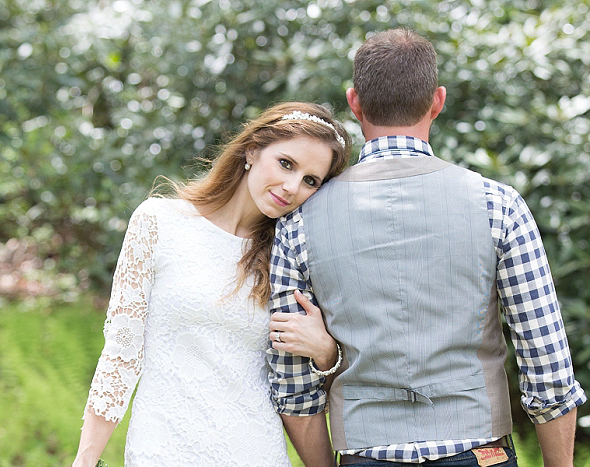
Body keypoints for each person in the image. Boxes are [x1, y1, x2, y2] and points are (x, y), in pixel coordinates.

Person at [267, 29, 586, 467]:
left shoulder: (298, 223)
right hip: (480, 453)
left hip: (366, 453)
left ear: (354, 102)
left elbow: (292, 388)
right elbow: (547, 366)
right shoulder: (499, 205)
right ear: (437, 101)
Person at [72, 101, 351, 466]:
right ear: (252, 150)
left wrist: (327, 352)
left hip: (254, 451)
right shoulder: (158, 222)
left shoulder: (294, 258)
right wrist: (85, 459)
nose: (292, 186)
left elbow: (304, 385)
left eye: (310, 180)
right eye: (286, 163)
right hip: (161, 449)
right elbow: (120, 357)